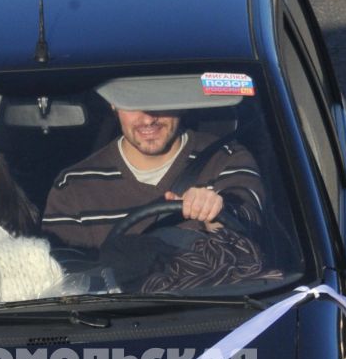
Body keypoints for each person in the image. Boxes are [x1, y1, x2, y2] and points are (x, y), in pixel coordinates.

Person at [42, 100, 265, 254]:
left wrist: (215, 213)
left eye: (160, 102)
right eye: (132, 103)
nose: (148, 119)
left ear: (181, 102)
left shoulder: (226, 159)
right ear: (113, 104)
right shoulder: (73, 186)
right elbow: (66, 279)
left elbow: (249, 231)